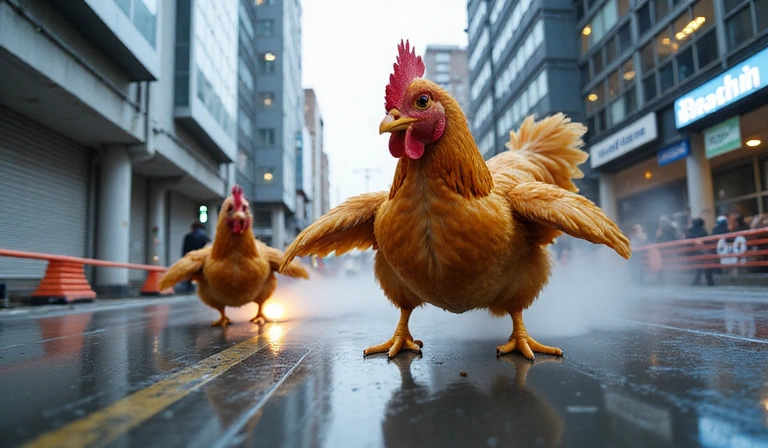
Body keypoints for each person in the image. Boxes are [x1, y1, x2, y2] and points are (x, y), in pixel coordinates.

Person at [181, 221, 210, 292]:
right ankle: (200, 287)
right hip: (200, 258)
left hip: (190, 257)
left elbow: (184, 248)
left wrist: (183, 257)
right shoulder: (203, 236)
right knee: (200, 273)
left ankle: (189, 287)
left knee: (190, 272)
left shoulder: (188, 236)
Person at [685, 217, 714, 286]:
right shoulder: (703, 231)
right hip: (703, 252)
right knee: (706, 266)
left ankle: (696, 281)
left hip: (694, 252)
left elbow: (687, 240)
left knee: (699, 267)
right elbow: (708, 241)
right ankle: (709, 282)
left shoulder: (690, 231)